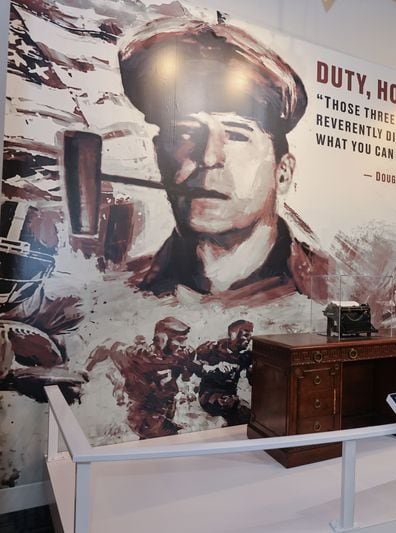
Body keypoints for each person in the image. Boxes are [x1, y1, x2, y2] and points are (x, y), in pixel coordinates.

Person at [117, 17, 328, 297]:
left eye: (238, 135)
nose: (209, 156)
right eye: (185, 134)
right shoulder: (121, 290)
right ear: (159, 157)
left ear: (283, 172)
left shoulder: (333, 284)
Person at [86, 317, 197, 438]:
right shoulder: (138, 356)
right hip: (142, 413)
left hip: (167, 407)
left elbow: (188, 366)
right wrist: (85, 368)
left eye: (185, 340)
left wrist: (186, 383)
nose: (184, 345)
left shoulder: (185, 353)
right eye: (179, 340)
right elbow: (108, 346)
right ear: (162, 339)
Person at [195, 320, 254, 426]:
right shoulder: (212, 348)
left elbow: (253, 380)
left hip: (231, 395)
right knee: (230, 407)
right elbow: (193, 364)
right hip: (209, 394)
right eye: (245, 335)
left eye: (250, 335)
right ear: (233, 334)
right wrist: (213, 367)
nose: (249, 339)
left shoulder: (246, 355)